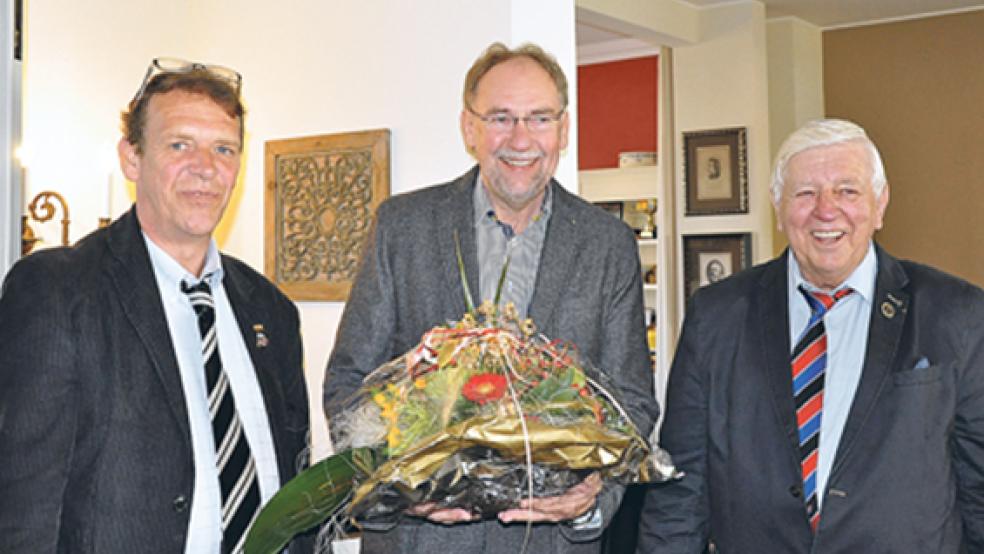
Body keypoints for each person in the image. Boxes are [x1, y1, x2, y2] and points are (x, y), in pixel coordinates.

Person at [323, 42, 658, 553]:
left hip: (552, 543)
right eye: (501, 117)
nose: (521, 138)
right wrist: (400, 490)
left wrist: (591, 500)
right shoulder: (402, 227)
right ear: (469, 128)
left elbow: (631, 402)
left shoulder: (608, 244)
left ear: (563, 129)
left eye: (539, 118)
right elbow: (349, 385)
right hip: (420, 541)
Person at [0, 59, 311, 553]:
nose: (205, 168)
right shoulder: (58, 290)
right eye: (179, 144)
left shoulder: (271, 310)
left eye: (224, 149)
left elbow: (298, 489)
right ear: (131, 158)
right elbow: (23, 511)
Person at [636, 118, 984, 552]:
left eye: (847, 190)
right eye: (806, 193)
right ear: (778, 207)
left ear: (880, 204)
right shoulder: (716, 317)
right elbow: (679, 494)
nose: (826, 209)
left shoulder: (957, 314)